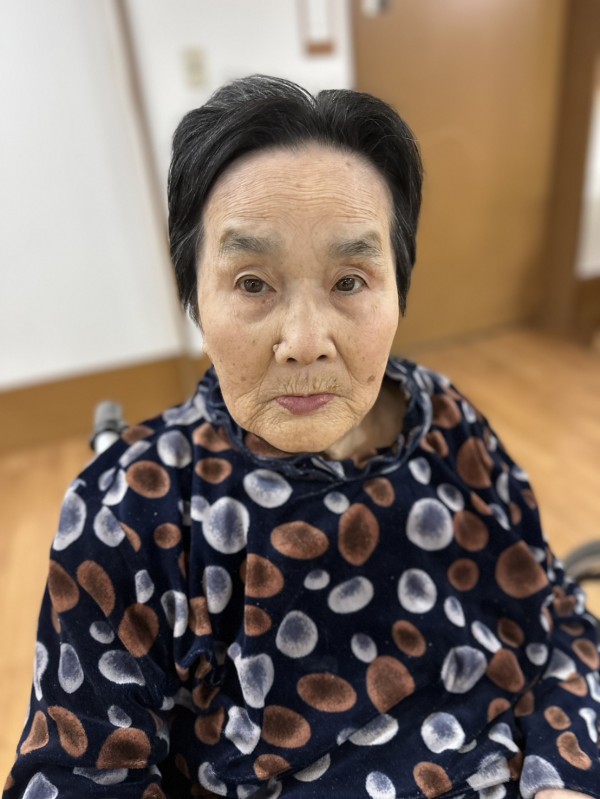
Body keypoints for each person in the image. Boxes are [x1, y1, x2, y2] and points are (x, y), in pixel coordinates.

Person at [3, 75, 600, 799]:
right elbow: (80, 773)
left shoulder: (446, 420)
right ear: (195, 298)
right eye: (253, 283)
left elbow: (556, 617)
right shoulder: (130, 511)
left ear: (399, 288)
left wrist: (564, 777)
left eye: (350, 281)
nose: (305, 341)